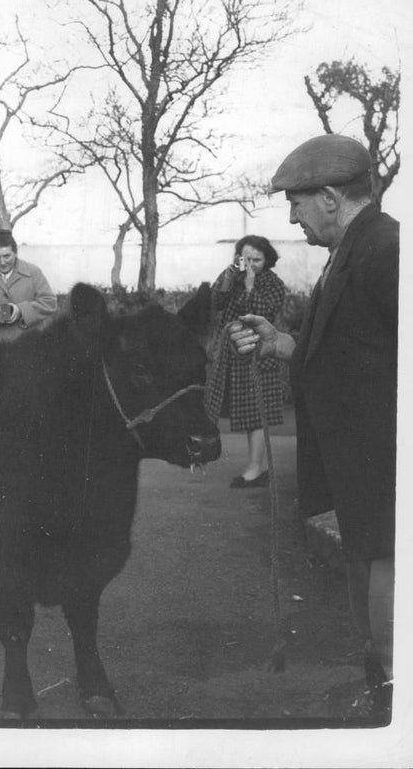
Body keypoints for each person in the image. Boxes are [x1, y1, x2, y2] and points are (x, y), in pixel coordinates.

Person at [228, 134, 398, 717]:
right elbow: (345, 350)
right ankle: (381, 684)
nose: (292, 217)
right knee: (367, 557)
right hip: (360, 456)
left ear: (329, 197)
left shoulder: (388, 249)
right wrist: (279, 343)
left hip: (383, 453)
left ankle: (395, 696)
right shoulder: (353, 250)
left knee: (384, 562)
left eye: (296, 204)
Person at [205, 235, 286, 488]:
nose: (251, 264)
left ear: (267, 259)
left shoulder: (273, 283)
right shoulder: (232, 277)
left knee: (256, 414)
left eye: (257, 259)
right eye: (246, 258)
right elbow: (214, 304)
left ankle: (254, 469)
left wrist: (250, 286)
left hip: (257, 355)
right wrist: (228, 281)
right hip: (230, 356)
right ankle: (256, 466)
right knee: (239, 411)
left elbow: (264, 313)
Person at [0, 228, 57, 343]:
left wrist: (20, 310)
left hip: (28, 344)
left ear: (15, 253)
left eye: (7, 256)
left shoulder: (33, 272)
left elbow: (49, 302)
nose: (2, 262)